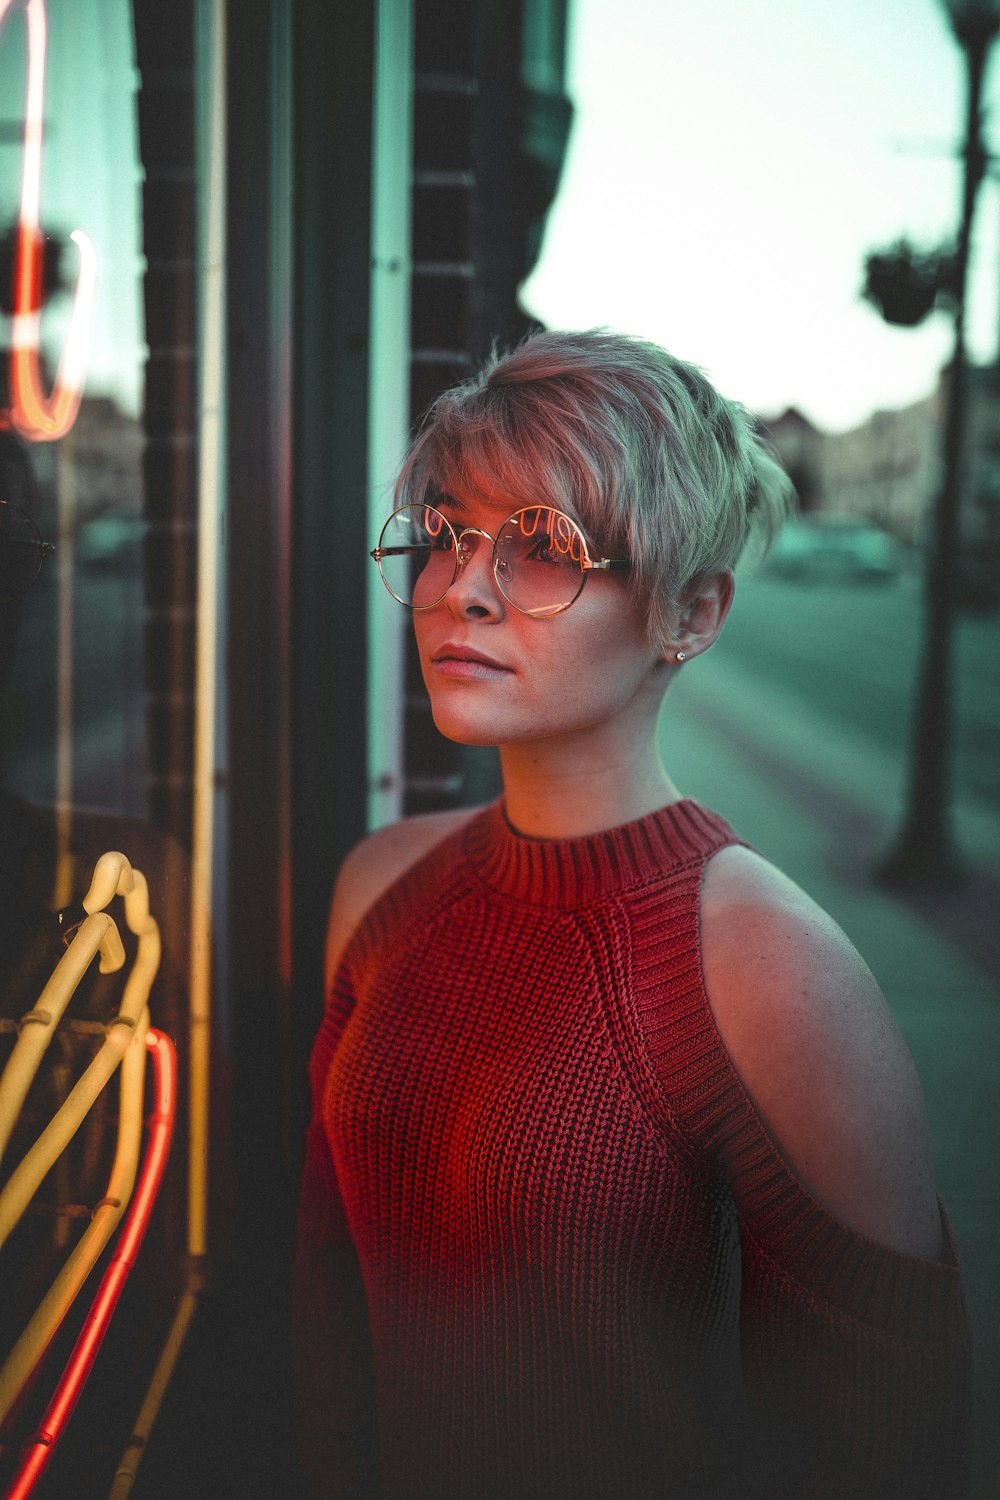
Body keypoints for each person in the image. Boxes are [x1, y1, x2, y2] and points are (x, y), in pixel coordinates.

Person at [294, 329, 972, 1499]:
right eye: (447, 533)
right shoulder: (378, 888)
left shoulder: (772, 972)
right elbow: (322, 1324)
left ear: (690, 616)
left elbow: (893, 1446)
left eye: (544, 547)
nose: (463, 587)